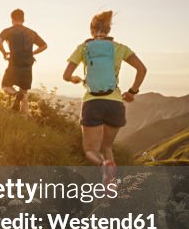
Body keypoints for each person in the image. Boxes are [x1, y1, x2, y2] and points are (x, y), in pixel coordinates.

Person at [62, 10, 147, 174]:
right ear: (108, 30)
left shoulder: (83, 48)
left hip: (92, 103)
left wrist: (73, 79)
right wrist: (132, 92)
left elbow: (66, 75)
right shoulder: (120, 48)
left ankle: (103, 166)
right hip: (115, 103)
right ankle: (111, 186)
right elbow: (142, 70)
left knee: (90, 150)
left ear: (91, 30)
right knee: (107, 146)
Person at [0, 8, 47, 115]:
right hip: (28, 65)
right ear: (23, 19)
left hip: (14, 63)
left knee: (5, 86)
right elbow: (44, 46)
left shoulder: (8, 31)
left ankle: (15, 95)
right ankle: (25, 117)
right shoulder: (31, 32)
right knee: (24, 93)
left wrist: (4, 52)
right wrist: (32, 53)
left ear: (12, 19)